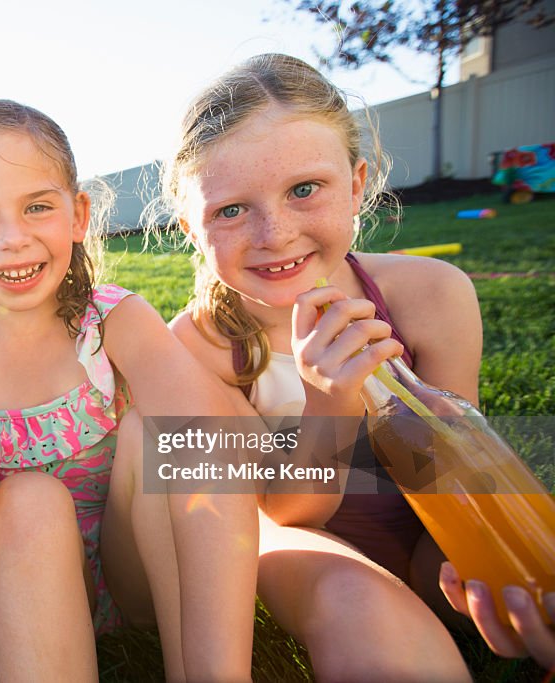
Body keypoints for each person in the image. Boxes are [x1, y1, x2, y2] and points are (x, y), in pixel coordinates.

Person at [0, 99, 258, 682]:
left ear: (78, 215)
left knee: (160, 432)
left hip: (138, 569)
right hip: (29, 580)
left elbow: (210, 448)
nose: (13, 238)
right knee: (27, 498)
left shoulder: (112, 321)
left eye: (36, 207)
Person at [163, 54, 474, 680]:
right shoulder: (194, 349)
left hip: (426, 518)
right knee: (357, 600)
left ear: (358, 183)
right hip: (301, 545)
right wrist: (329, 400)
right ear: (190, 229)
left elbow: (453, 476)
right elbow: (286, 513)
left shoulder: (431, 294)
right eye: (231, 210)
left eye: (305, 190)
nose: (275, 234)